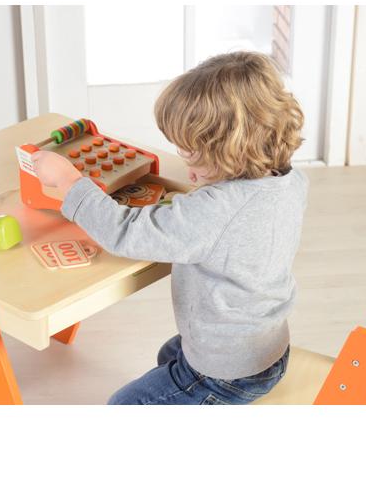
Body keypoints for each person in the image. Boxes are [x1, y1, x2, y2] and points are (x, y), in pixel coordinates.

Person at [32, 51, 308, 405]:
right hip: (266, 344)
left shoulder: (214, 211)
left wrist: (71, 182)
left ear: (231, 153)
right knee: (169, 353)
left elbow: (125, 233)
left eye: (194, 157)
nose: (188, 170)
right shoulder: (289, 181)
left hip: (227, 373)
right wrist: (210, 177)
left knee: (122, 405)